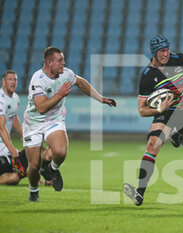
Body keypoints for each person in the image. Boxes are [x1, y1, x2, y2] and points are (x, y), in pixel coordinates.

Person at [123, 35, 183, 206]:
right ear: (154, 52)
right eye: (162, 51)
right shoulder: (148, 75)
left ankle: (180, 138)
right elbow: (142, 109)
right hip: (166, 113)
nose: (166, 54)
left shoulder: (179, 59)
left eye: (167, 49)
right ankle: (139, 193)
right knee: (153, 144)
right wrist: (158, 110)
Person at [23, 47, 116, 202]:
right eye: (60, 60)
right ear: (49, 62)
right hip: (33, 123)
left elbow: (80, 82)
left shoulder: (66, 73)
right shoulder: (38, 79)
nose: (63, 63)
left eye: (63, 60)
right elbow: (41, 108)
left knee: (60, 151)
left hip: (54, 120)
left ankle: (53, 169)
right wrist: (60, 95)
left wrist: (100, 98)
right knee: (33, 166)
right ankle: (34, 191)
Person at [0, 70, 52, 185]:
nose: (13, 82)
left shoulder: (15, 98)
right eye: (10, 79)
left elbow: (13, 117)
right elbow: (1, 128)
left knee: (27, 156)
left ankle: (36, 174)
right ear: (3, 82)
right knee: (14, 175)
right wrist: (12, 149)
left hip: (3, 146)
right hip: (3, 146)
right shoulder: (1, 99)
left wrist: (23, 134)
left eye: (15, 79)